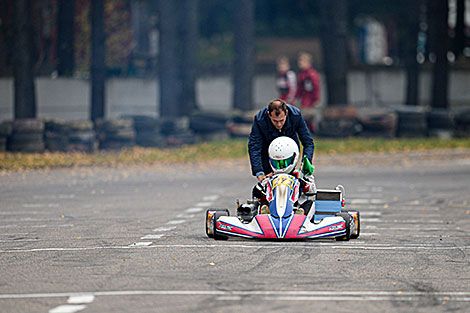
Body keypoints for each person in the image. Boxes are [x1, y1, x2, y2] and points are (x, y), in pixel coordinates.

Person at [248, 99, 314, 184]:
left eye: (282, 120)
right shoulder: (259, 119)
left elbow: (308, 142)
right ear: (269, 114)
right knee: (269, 184)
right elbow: (254, 147)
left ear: (286, 113)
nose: (279, 125)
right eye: (275, 121)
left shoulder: (295, 115)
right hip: (267, 151)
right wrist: (259, 172)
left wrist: (306, 162)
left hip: (290, 150)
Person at [255, 136, 317, 215]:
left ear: (294, 158)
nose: (281, 167)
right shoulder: (271, 178)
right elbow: (257, 191)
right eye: (277, 163)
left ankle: (300, 215)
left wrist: (304, 185)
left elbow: (313, 190)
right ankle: (265, 213)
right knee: (262, 203)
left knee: (310, 203)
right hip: (274, 210)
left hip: (295, 209)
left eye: (284, 163)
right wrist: (259, 189)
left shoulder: (301, 175)